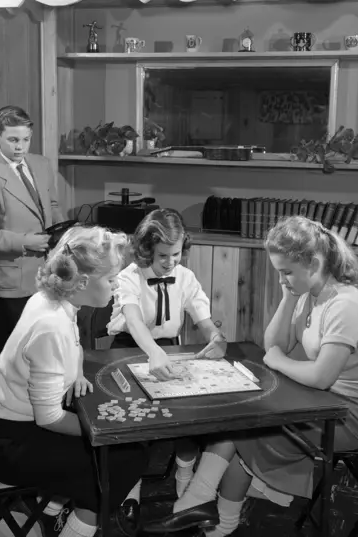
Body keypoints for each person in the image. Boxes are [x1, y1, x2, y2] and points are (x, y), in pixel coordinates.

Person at [142, 216, 358, 536]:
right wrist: (289, 296)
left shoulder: (346, 306)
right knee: (240, 414)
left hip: (352, 415)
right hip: (326, 400)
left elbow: (320, 376)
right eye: (278, 273)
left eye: (286, 272)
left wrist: (276, 359)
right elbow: (277, 344)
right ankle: (201, 503)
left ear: (314, 263)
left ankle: (214, 514)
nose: (282, 280)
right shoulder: (309, 293)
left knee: (249, 427)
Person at [0, 226, 148, 537]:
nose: (116, 285)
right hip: (9, 443)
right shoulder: (50, 324)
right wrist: (104, 430)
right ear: (82, 281)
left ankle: (54, 511)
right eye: (110, 279)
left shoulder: (53, 300)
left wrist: (77, 373)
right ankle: (73, 527)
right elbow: (49, 418)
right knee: (118, 461)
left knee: (127, 452)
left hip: (13, 426)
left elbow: (74, 346)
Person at [107, 208, 228, 498]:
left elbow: (203, 319)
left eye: (176, 255)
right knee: (132, 420)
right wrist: (153, 351)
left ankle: (185, 473)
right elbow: (134, 321)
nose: (171, 262)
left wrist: (216, 337)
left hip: (171, 348)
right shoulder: (128, 277)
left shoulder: (185, 277)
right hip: (129, 348)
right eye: (163, 256)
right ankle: (130, 489)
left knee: (185, 412)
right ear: (147, 250)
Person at [0, 105, 65, 357]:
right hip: (12, 282)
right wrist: (26, 242)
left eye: (26, 139)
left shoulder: (41, 165)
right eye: (13, 140)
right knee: (15, 353)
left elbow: (52, 205)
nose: (20, 146)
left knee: (45, 348)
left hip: (48, 274)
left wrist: (64, 233)